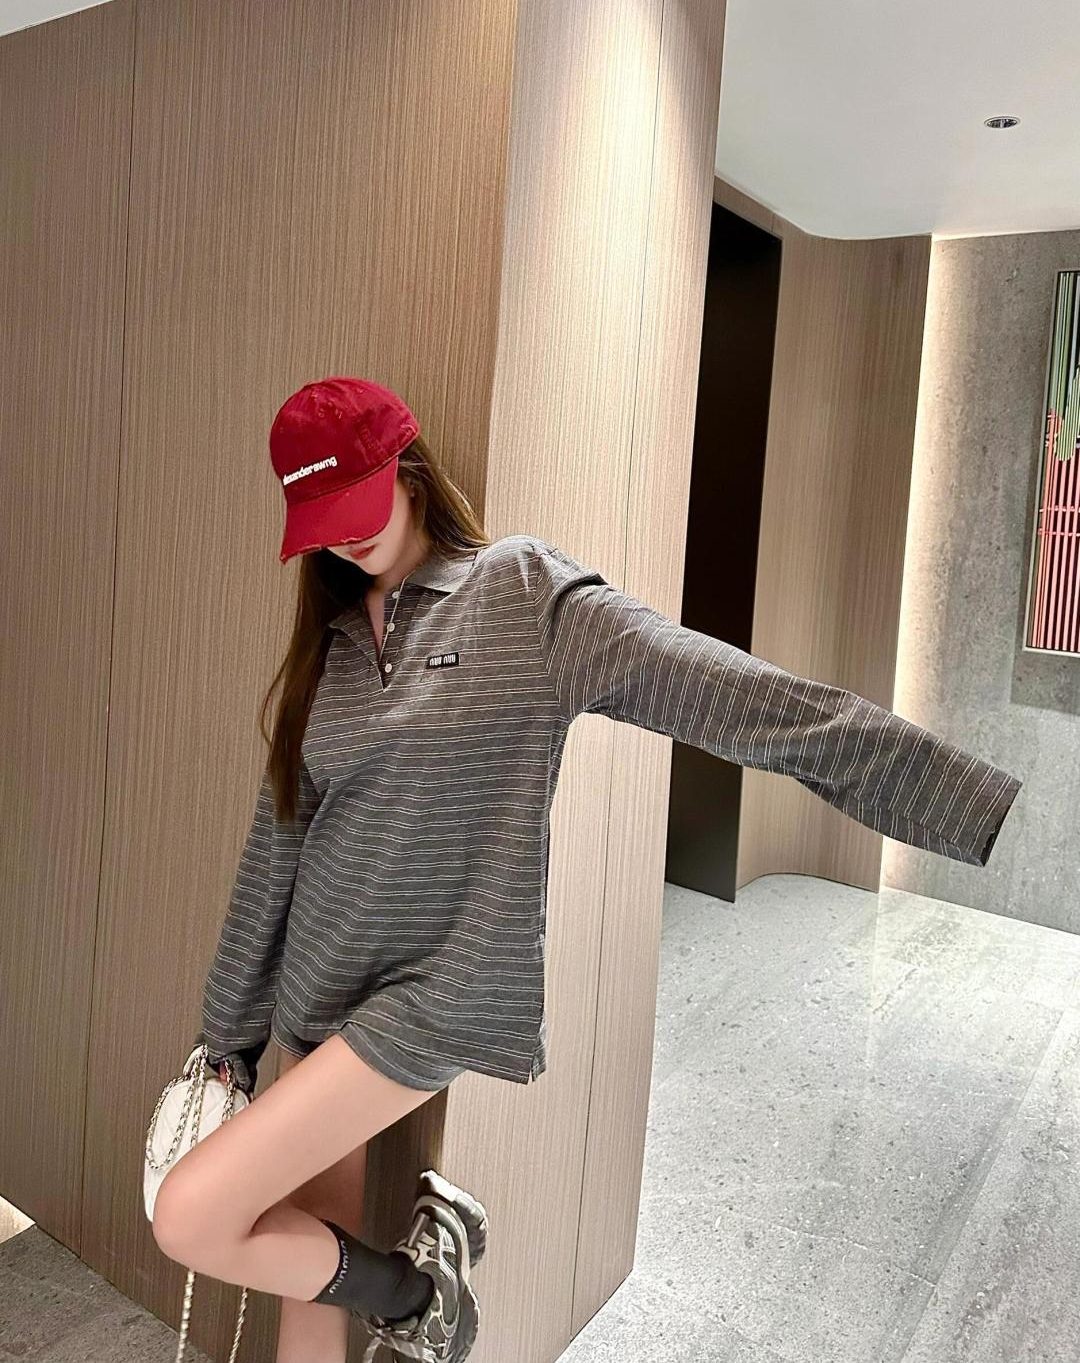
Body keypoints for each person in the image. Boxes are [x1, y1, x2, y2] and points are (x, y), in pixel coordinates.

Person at [149, 375, 1023, 1363]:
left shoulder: (519, 593)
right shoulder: (331, 650)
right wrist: (228, 1036)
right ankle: (395, 1286)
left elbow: (730, 692)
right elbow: (277, 846)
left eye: (357, 505)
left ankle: (415, 1293)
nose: (344, 540)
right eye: (323, 524)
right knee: (307, 1298)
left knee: (193, 1214)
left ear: (410, 471)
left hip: (430, 994)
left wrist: (959, 795)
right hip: (317, 992)